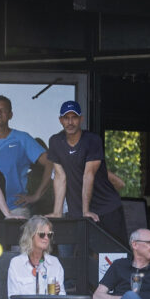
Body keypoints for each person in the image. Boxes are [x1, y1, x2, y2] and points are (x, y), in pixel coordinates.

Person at [48, 100, 125, 242]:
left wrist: (86, 211)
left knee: (113, 251)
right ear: (60, 120)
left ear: (81, 119)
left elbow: (88, 175)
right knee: (82, 252)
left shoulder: (92, 140)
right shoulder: (55, 141)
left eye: (74, 117)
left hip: (106, 207)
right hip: (77, 212)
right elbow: (60, 176)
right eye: (66, 118)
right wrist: (57, 212)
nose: (70, 122)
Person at [0, 94, 53, 217]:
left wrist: (36, 196)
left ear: (10, 115)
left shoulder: (22, 139)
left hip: (15, 209)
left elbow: (50, 161)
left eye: (3, 110)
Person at [7, 216, 65, 299]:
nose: (46, 238)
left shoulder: (54, 263)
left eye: (49, 235)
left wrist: (56, 296)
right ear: (30, 235)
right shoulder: (16, 263)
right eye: (42, 234)